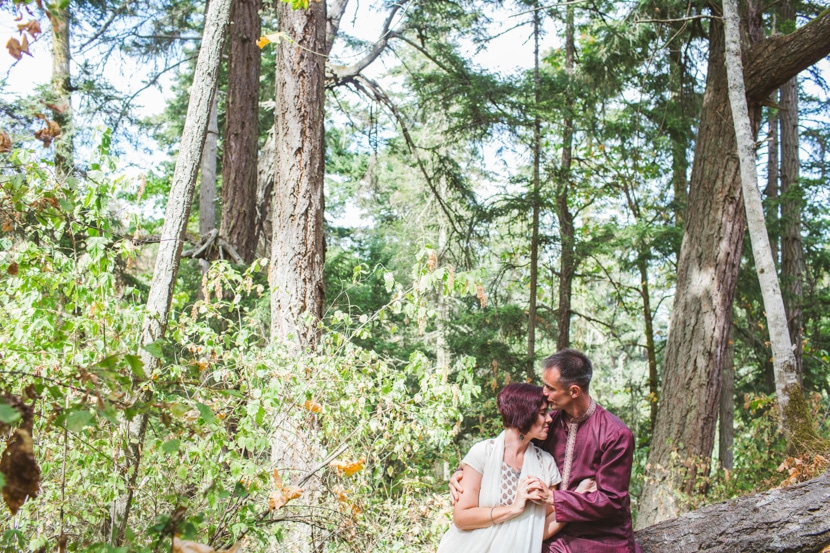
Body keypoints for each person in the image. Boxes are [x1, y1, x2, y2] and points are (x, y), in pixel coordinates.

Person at [451, 349, 640, 553]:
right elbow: (512, 445)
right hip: (548, 533)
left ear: (574, 391)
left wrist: (554, 498)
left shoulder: (615, 434)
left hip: (598, 536)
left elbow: (612, 501)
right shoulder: (547, 424)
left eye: (550, 388)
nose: (544, 393)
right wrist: (463, 472)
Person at [436, 383, 563, 553]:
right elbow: (461, 518)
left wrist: (578, 501)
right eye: (542, 413)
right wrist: (514, 509)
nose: (549, 419)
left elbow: (540, 530)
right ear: (523, 415)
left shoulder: (546, 463)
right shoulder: (483, 453)